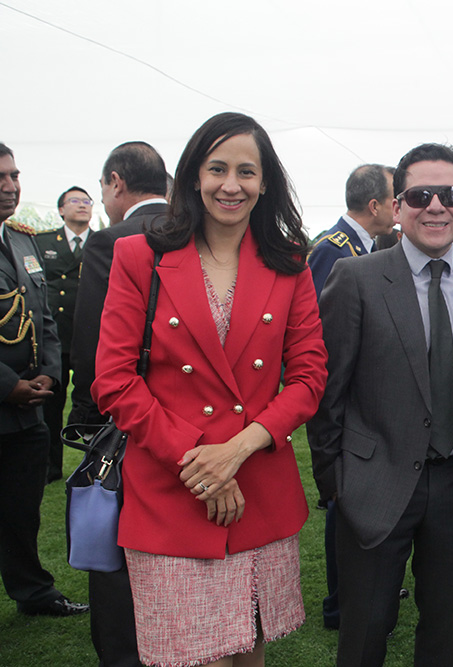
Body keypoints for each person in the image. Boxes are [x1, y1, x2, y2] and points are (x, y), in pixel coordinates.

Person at [91, 113, 327, 667]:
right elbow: (114, 380)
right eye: (217, 168)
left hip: (258, 490)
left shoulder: (291, 262)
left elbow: (310, 375)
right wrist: (200, 464)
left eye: (247, 171)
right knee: (191, 657)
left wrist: (237, 450)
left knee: (248, 654)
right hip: (170, 493)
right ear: (193, 175)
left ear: (265, 182)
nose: (231, 184)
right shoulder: (139, 256)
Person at [308, 143, 453, 666]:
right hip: (373, 481)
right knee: (364, 631)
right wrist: (336, 481)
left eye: (449, 194)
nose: (435, 205)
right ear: (397, 205)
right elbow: (326, 389)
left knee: (443, 632)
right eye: (419, 194)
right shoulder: (356, 277)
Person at [73, 141, 169, 667]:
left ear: (115, 183)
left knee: (117, 551)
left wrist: (86, 421)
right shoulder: (196, 232)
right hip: (193, 421)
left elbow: (93, 344)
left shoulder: (112, 240)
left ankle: (124, 652)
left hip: (128, 420)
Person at [0, 142, 89, 618]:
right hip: (6, 395)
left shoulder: (20, 239)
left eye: (14, 176)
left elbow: (44, 318)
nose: (10, 187)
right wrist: (7, 384)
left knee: (21, 508)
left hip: (28, 407)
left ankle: (32, 591)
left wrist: (48, 375)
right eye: (1, 178)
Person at [305, 162, 395, 632]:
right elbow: (323, 341)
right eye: (396, 199)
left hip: (369, 402)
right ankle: (340, 605)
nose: (401, 211)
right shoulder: (334, 250)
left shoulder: (365, 246)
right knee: (344, 505)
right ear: (376, 204)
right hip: (343, 404)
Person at [35, 186, 93, 482]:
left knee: (92, 403)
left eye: (87, 201)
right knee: (51, 405)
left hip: (88, 338)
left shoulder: (102, 241)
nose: (82, 206)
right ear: (61, 209)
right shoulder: (42, 242)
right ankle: (50, 467)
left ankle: (95, 465)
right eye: (75, 201)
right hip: (56, 337)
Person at [307, 164, 396, 296]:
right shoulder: (331, 250)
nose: (398, 209)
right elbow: (319, 311)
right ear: (374, 207)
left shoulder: (367, 246)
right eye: (394, 201)